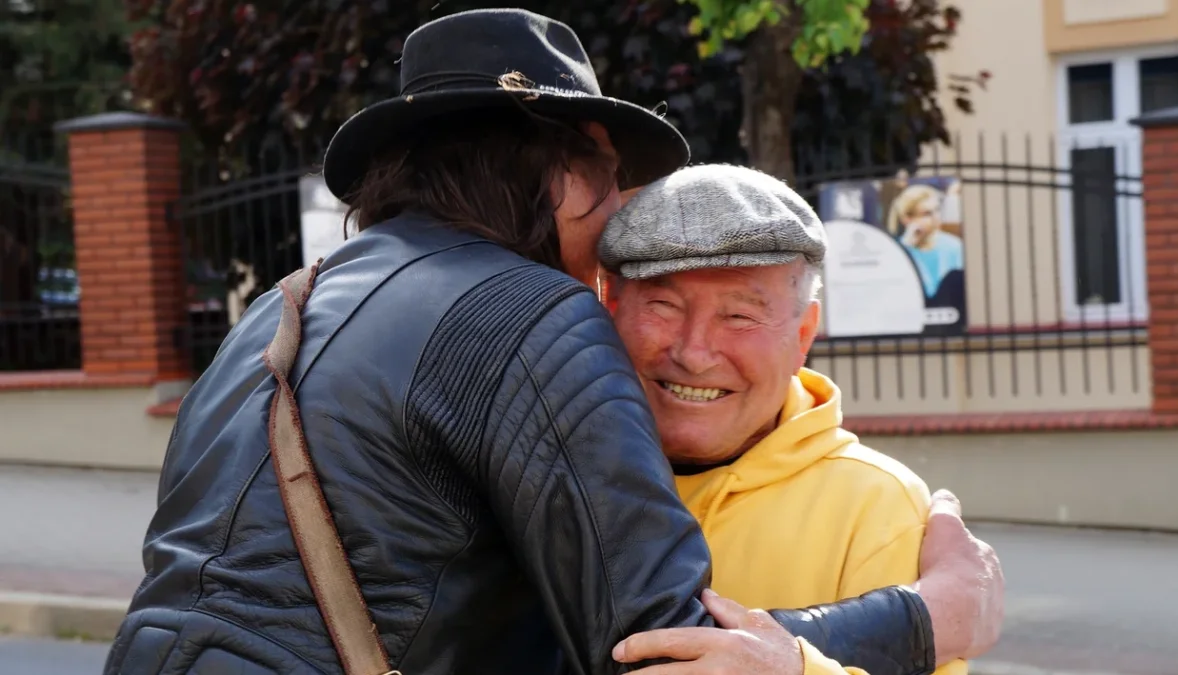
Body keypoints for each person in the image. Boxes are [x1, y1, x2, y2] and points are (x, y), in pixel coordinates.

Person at [103, 9, 1001, 675]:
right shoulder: (530, 311)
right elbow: (656, 649)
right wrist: (925, 618)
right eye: (610, 179)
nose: (615, 219)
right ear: (557, 166)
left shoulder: (277, 312)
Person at [600, 165, 996, 672]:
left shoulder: (876, 508)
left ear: (803, 335)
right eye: (663, 305)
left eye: (740, 315)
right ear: (608, 308)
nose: (694, 353)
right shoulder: (556, 470)